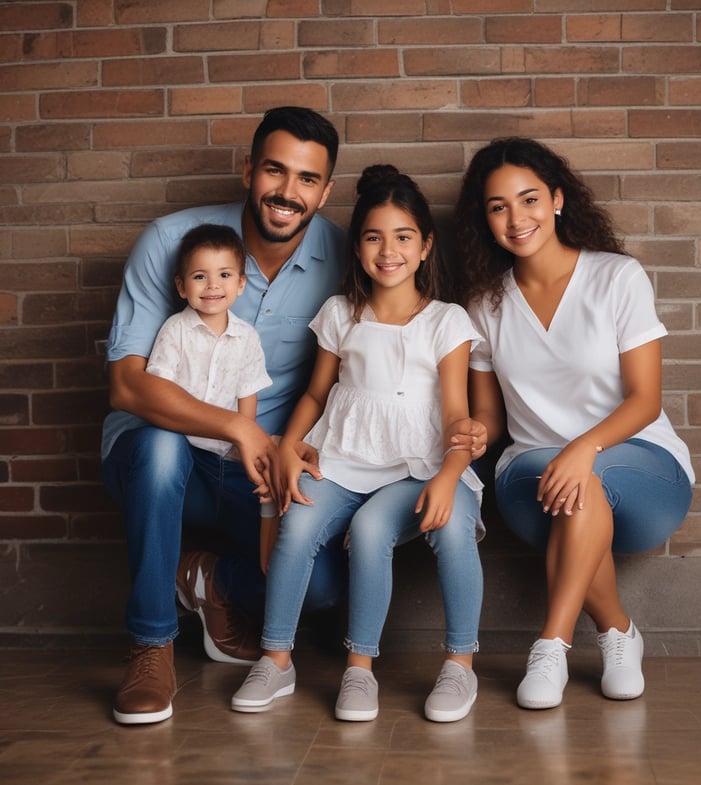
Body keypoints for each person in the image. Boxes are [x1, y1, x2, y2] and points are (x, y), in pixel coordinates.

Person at [102, 106, 349, 725]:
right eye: (274, 171)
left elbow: (354, 371)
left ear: (325, 190)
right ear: (248, 171)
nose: (287, 193)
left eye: (307, 179)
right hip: (165, 452)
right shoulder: (170, 241)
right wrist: (238, 424)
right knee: (159, 449)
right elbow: (127, 386)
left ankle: (210, 581)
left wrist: (301, 442)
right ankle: (152, 645)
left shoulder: (345, 256)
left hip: (259, 465)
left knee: (322, 585)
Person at [230, 165, 485, 723]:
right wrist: (289, 448)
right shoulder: (341, 313)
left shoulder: (446, 321)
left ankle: (446, 666)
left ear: (425, 246)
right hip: (343, 454)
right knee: (296, 520)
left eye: (403, 237)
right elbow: (315, 394)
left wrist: (447, 476)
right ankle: (276, 661)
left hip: (419, 463)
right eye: (373, 237)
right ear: (357, 247)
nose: (387, 251)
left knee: (373, 531)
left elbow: (457, 417)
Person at [456, 137, 695, 710]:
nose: (517, 218)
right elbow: (491, 415)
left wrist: (584, 447)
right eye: (498, 206)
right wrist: (475, 433)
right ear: (485, 220)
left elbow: (644, 400)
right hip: (531, 478)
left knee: (584, 480)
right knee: (578, 489)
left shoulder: (617, 278)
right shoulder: (484, 306)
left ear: (558, 200)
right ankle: (617, 633)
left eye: (529, 198)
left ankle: (552, 643)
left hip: (642, 466)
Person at [145, 223, 280, 566]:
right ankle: (181, 566)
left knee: (261, 508)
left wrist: (245, 440)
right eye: (200, 277)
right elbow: (160, 388)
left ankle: (224, 572)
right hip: (185, 450)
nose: (213, 286)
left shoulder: (247, 337)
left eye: (223, 275)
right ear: (181, 285)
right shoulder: (175, 330)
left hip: (227, 454)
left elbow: (247, 396)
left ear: (241, 283)